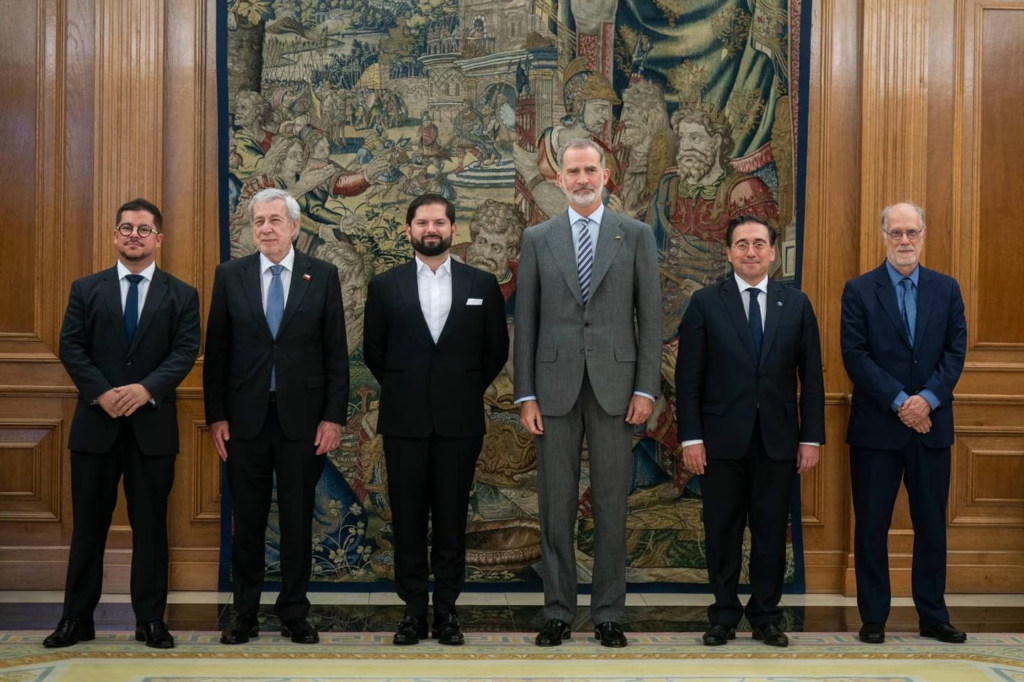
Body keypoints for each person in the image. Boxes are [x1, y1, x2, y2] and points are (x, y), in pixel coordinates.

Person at [514, 139, 661, 648]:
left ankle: (608, 615)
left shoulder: (636, 236)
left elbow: (651, 318)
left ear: (605, 175)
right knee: (555, 506)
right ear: (559, 179)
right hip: (552, 392)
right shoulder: (538, 238)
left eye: (589, 170)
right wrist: (525, 395)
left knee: (611, 506)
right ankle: (557, 610)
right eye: (572, 170)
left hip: (617, 391)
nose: (581, 178)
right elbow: (525, 322)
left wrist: (646, 388)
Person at [46, 199, 201, 649]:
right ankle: (76, 620)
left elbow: (184, 351)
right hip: (96, 426)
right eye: (126, 228)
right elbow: (70, 346)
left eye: (144, 229)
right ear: (115, 236)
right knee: (88, 527)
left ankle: (150, 620)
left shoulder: (181, 294)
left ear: (159, 239)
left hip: (152, 428)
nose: (134, 235)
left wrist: (145, 389)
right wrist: (103, 392)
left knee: (151, 527)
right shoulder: (86, 289)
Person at [204, 188, 349, 646]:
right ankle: (244, 612)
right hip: (244, 421)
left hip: (302, 423)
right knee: (246, 520)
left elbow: (336, 355)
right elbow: (217, 354)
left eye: (274, 221)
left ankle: (293, 611)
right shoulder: (230, 276)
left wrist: (332, 418)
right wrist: (216, 417)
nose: (265, 228)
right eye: (258, 222)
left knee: (297, 518)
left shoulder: (321, 275)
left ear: (294, 227)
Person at [363, 194, 509, 646]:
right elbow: (374, 353)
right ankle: (412, 612)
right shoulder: (385, 286)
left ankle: (446, 610)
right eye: (422, 222)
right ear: (408, 230)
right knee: (407, 520)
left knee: (451, 520)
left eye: (439, 222)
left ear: (452, 229)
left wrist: (459, 388)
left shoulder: (480, 284)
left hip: (459, 423)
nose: (431, 229)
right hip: (404, 422)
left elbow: (494, 353)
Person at [676, 215, 824, 648]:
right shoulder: (705, 302)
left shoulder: (795, 304)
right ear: (728, 253)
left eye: (759, 243)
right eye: (742, 244)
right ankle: (723, 614)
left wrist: (811, 437)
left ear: (773, 251)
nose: (751, 251)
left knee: (771, 531)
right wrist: (691, 438)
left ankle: (766, 616)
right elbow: (689, 378)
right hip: (720, 441)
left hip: (778, 441)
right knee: (721, 530)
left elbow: (811, 377)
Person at [841, 202, 967, 645]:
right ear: (883, 236)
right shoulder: (858, 291)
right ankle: (873, 617)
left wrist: (926, 401)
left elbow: (955, 353)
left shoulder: (947, 289)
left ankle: (933, 615)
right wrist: (901, 402)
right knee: (871, 525)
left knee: (931, 524)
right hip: (877, 429)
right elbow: (855, 356)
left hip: (931, 428)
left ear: (924, 233)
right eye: (895, 233)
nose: (904, 241)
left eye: (911, 232)